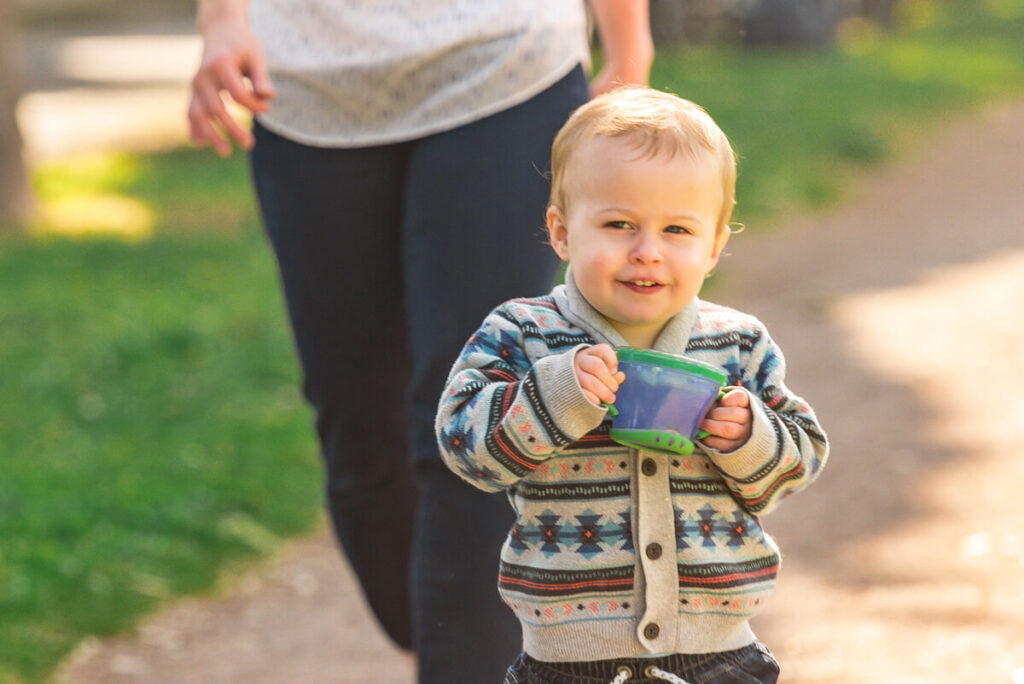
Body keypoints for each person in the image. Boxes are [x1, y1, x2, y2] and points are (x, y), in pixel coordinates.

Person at [187, 1, 654, 681]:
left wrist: (629, 51)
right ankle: (450, 641)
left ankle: (463, 659)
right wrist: (222, 20)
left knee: (470, 420)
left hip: (504, 61)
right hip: (305, 87)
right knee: (360, 439)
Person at [436, 87, 829, 684]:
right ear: (562, 233)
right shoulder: (524, 331)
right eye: (619, 224)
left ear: (715, 246)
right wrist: (555, 396)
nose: (647, 252)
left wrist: (750, 435)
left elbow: (800, 460)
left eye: (677, 229)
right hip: (568, 663)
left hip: (719, 656)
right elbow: (465, 448)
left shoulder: (738, 343)